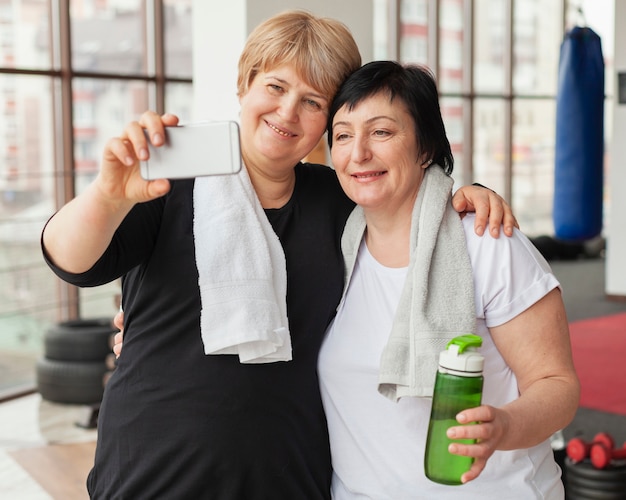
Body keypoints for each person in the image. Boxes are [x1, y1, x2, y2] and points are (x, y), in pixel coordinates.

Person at [41, 11, 516, 500]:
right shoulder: (168, 181)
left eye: (312, 101)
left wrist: (469, 194)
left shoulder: (339, 199)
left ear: (327, 123)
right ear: (245, 85)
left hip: (288, 473)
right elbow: (72, 261)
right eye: (274, 86)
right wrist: (107, 194)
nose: (288, 112)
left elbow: (409, 202)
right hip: (153, 471)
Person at [317, 60, 580, 499]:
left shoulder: (487, 243)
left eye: (381, 132)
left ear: (425, 148)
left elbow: (557, 386)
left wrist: (506, 425)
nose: (358, 152)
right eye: (343, 134)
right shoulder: (335, 248)